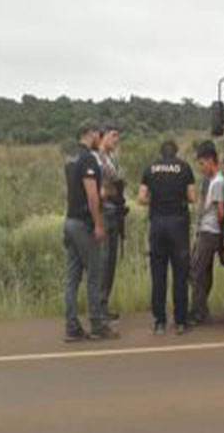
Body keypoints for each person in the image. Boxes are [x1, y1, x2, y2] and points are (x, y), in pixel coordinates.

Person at [63, 120, 119, 342]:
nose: (100, 137)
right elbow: (92, 195)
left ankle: (72, 327)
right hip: (83, 224)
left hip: (70, 221)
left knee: (72, 278)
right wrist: (98, 224)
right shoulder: (88, 158)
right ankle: (97, 325)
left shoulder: (71, 157)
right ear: (91, 133)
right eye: (98, 133)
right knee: (95, 274)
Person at [138, 140, 196, 336]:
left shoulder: (150, 168)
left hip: (157, 225)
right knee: (180, 274)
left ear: (161, 153)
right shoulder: (184, 168)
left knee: (158, 275)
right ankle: (180, 322)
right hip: (178, 226)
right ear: (176, 152)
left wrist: (156, 201)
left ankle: (160, 322)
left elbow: (141, 198)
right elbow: (192, 197)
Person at [189, 141, 224, 326]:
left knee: (196, 272)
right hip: (206, 230)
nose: (201, 168)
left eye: (202, 163)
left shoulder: (218, 182)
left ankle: (199, 312)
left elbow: (220, 211)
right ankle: (201, 310)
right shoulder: (211, 181)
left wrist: (218, 230)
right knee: (204, 272)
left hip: (209, 232)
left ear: (211, 161)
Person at [98, 124, 127, 322]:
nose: (116, 140)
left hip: (114, 210)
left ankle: (103, 305)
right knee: (104, 261)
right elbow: (108, 183)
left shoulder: (111, 157)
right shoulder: (98, 157)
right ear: (104, 136)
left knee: (110, 263)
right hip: (105, 211)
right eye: (113, 135)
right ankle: (99, 308)